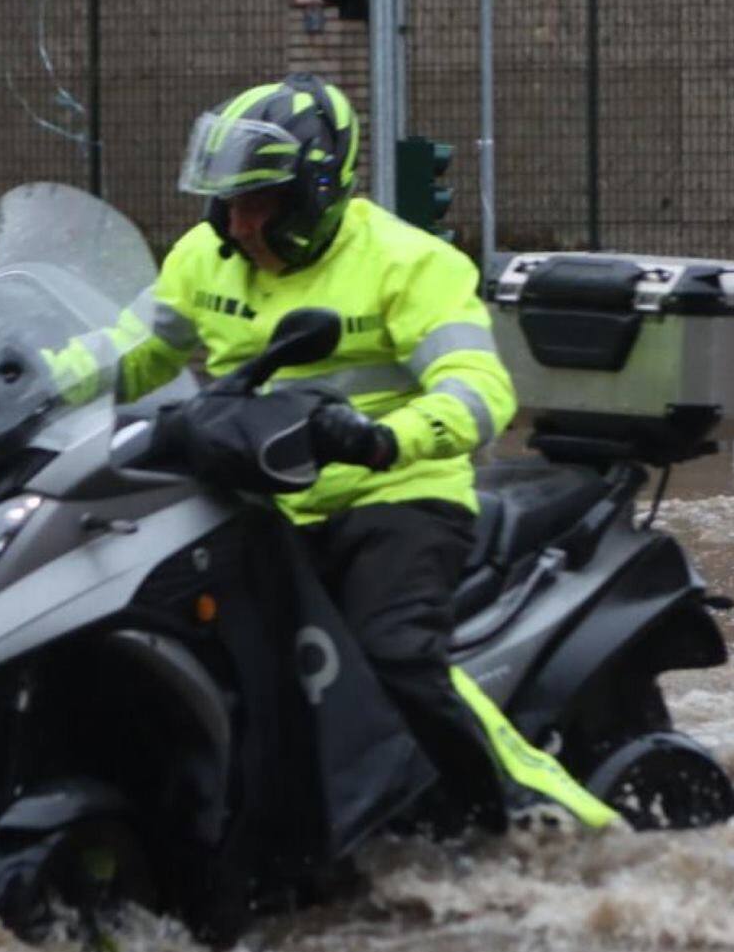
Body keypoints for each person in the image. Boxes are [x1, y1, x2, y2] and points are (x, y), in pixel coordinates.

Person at [75, 73, 619, 834]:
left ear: (316, 194)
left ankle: (543, 820)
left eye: (260, 202)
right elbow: (135, 352)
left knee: (393, 657)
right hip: (257, 498)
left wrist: (383, 438)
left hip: (391, 497)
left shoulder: (412, 263)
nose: (241, 223)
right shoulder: (204, 256)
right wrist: (33, 378)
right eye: (228, 202)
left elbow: (479, 389)